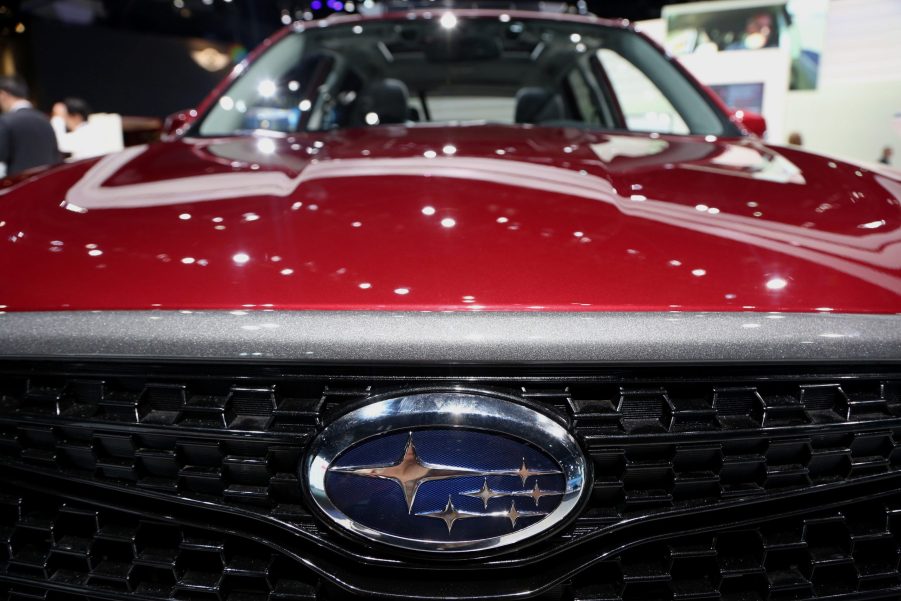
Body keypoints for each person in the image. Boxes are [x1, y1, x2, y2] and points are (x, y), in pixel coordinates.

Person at [0, 76, 61, 177]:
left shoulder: (5, 121)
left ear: (3, 94)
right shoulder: (45, 120)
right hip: (46, 184)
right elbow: (56, 157)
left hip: (19, 186)